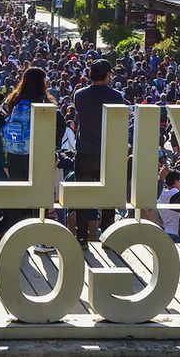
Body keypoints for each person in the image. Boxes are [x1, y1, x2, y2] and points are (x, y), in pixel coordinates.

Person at [1, 67, 65, 232]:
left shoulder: (13, 100)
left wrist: (8, 132)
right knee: (37, 194)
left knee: (18, 193)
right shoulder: (44, 101)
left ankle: (14, 231)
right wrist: (54, 145)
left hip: (14, 155)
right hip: (37, 154)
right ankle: (35, 232)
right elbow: (61, 123)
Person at [73, 59, 126, 247]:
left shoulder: (79, 95)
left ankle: (82, 236)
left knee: (82, 196)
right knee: (109, 197)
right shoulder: (117, 97)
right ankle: (108, 235)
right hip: (108, 153)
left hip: (84, 152)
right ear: (108, 75)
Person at [158, 170, 180, 243]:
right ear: (176, 182)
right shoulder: (177, 194)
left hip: (166, 231)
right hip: (177, 233)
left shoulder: (161, 194)